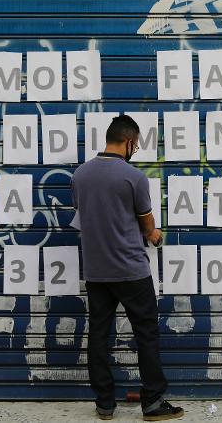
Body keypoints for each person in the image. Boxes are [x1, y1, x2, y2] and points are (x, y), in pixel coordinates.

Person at [71, 115, 184, 421]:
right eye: (137, 144)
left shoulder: (80, 175)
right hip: (132, 270)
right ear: (130, 141)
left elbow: (85, 215)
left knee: (98, 333)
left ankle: (105, 403)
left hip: (96, 272)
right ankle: (152, 403)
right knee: (146, 332)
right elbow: (147, 225)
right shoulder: (134, 177)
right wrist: (154, 234)